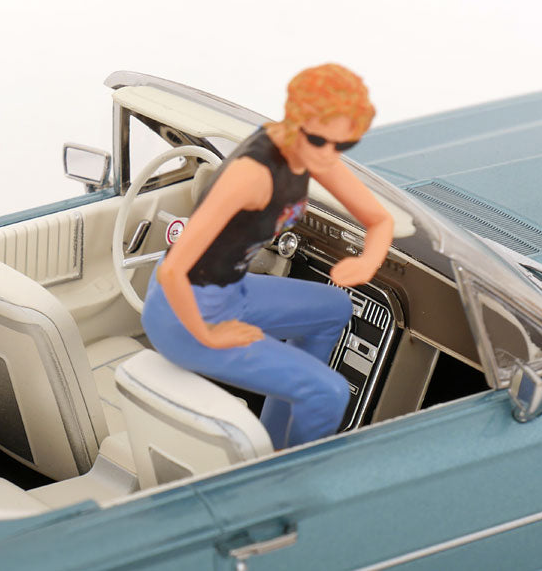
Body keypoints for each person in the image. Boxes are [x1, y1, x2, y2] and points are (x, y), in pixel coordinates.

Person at [141, 64, 393, 449]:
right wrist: (210, 333)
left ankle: (277, 441)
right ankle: (289, 474)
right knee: (330, 392)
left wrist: (366, 263)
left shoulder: (307, 152)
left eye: (341, 145)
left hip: (230, 291)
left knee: (336, 307)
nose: (329, 156)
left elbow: (379, 219)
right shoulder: (251, 175)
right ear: (297, 120)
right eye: (320, 140)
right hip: (183, 317)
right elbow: (173, 270)